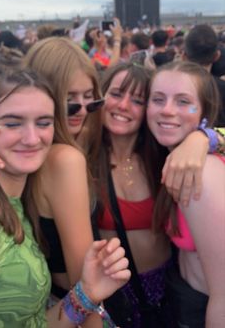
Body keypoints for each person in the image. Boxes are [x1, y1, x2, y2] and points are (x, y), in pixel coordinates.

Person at [0, 68, 131, 327]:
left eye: (43, 123)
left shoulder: (18, 208)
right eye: (12, 123)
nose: (32, 138)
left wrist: (86, 293)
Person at [93, 62, 219, 328]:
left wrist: (205, 137)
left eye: (138, 99)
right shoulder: (82, 159)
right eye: (116, 94)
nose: (124, 105)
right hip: (121, 297)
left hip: (173, 295)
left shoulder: (168, 157)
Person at [146, 61, 225, 327]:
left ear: (204, 110)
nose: (167, 110)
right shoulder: (174, 160)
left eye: (183, 101)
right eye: (158, 99)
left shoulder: (202, 173)